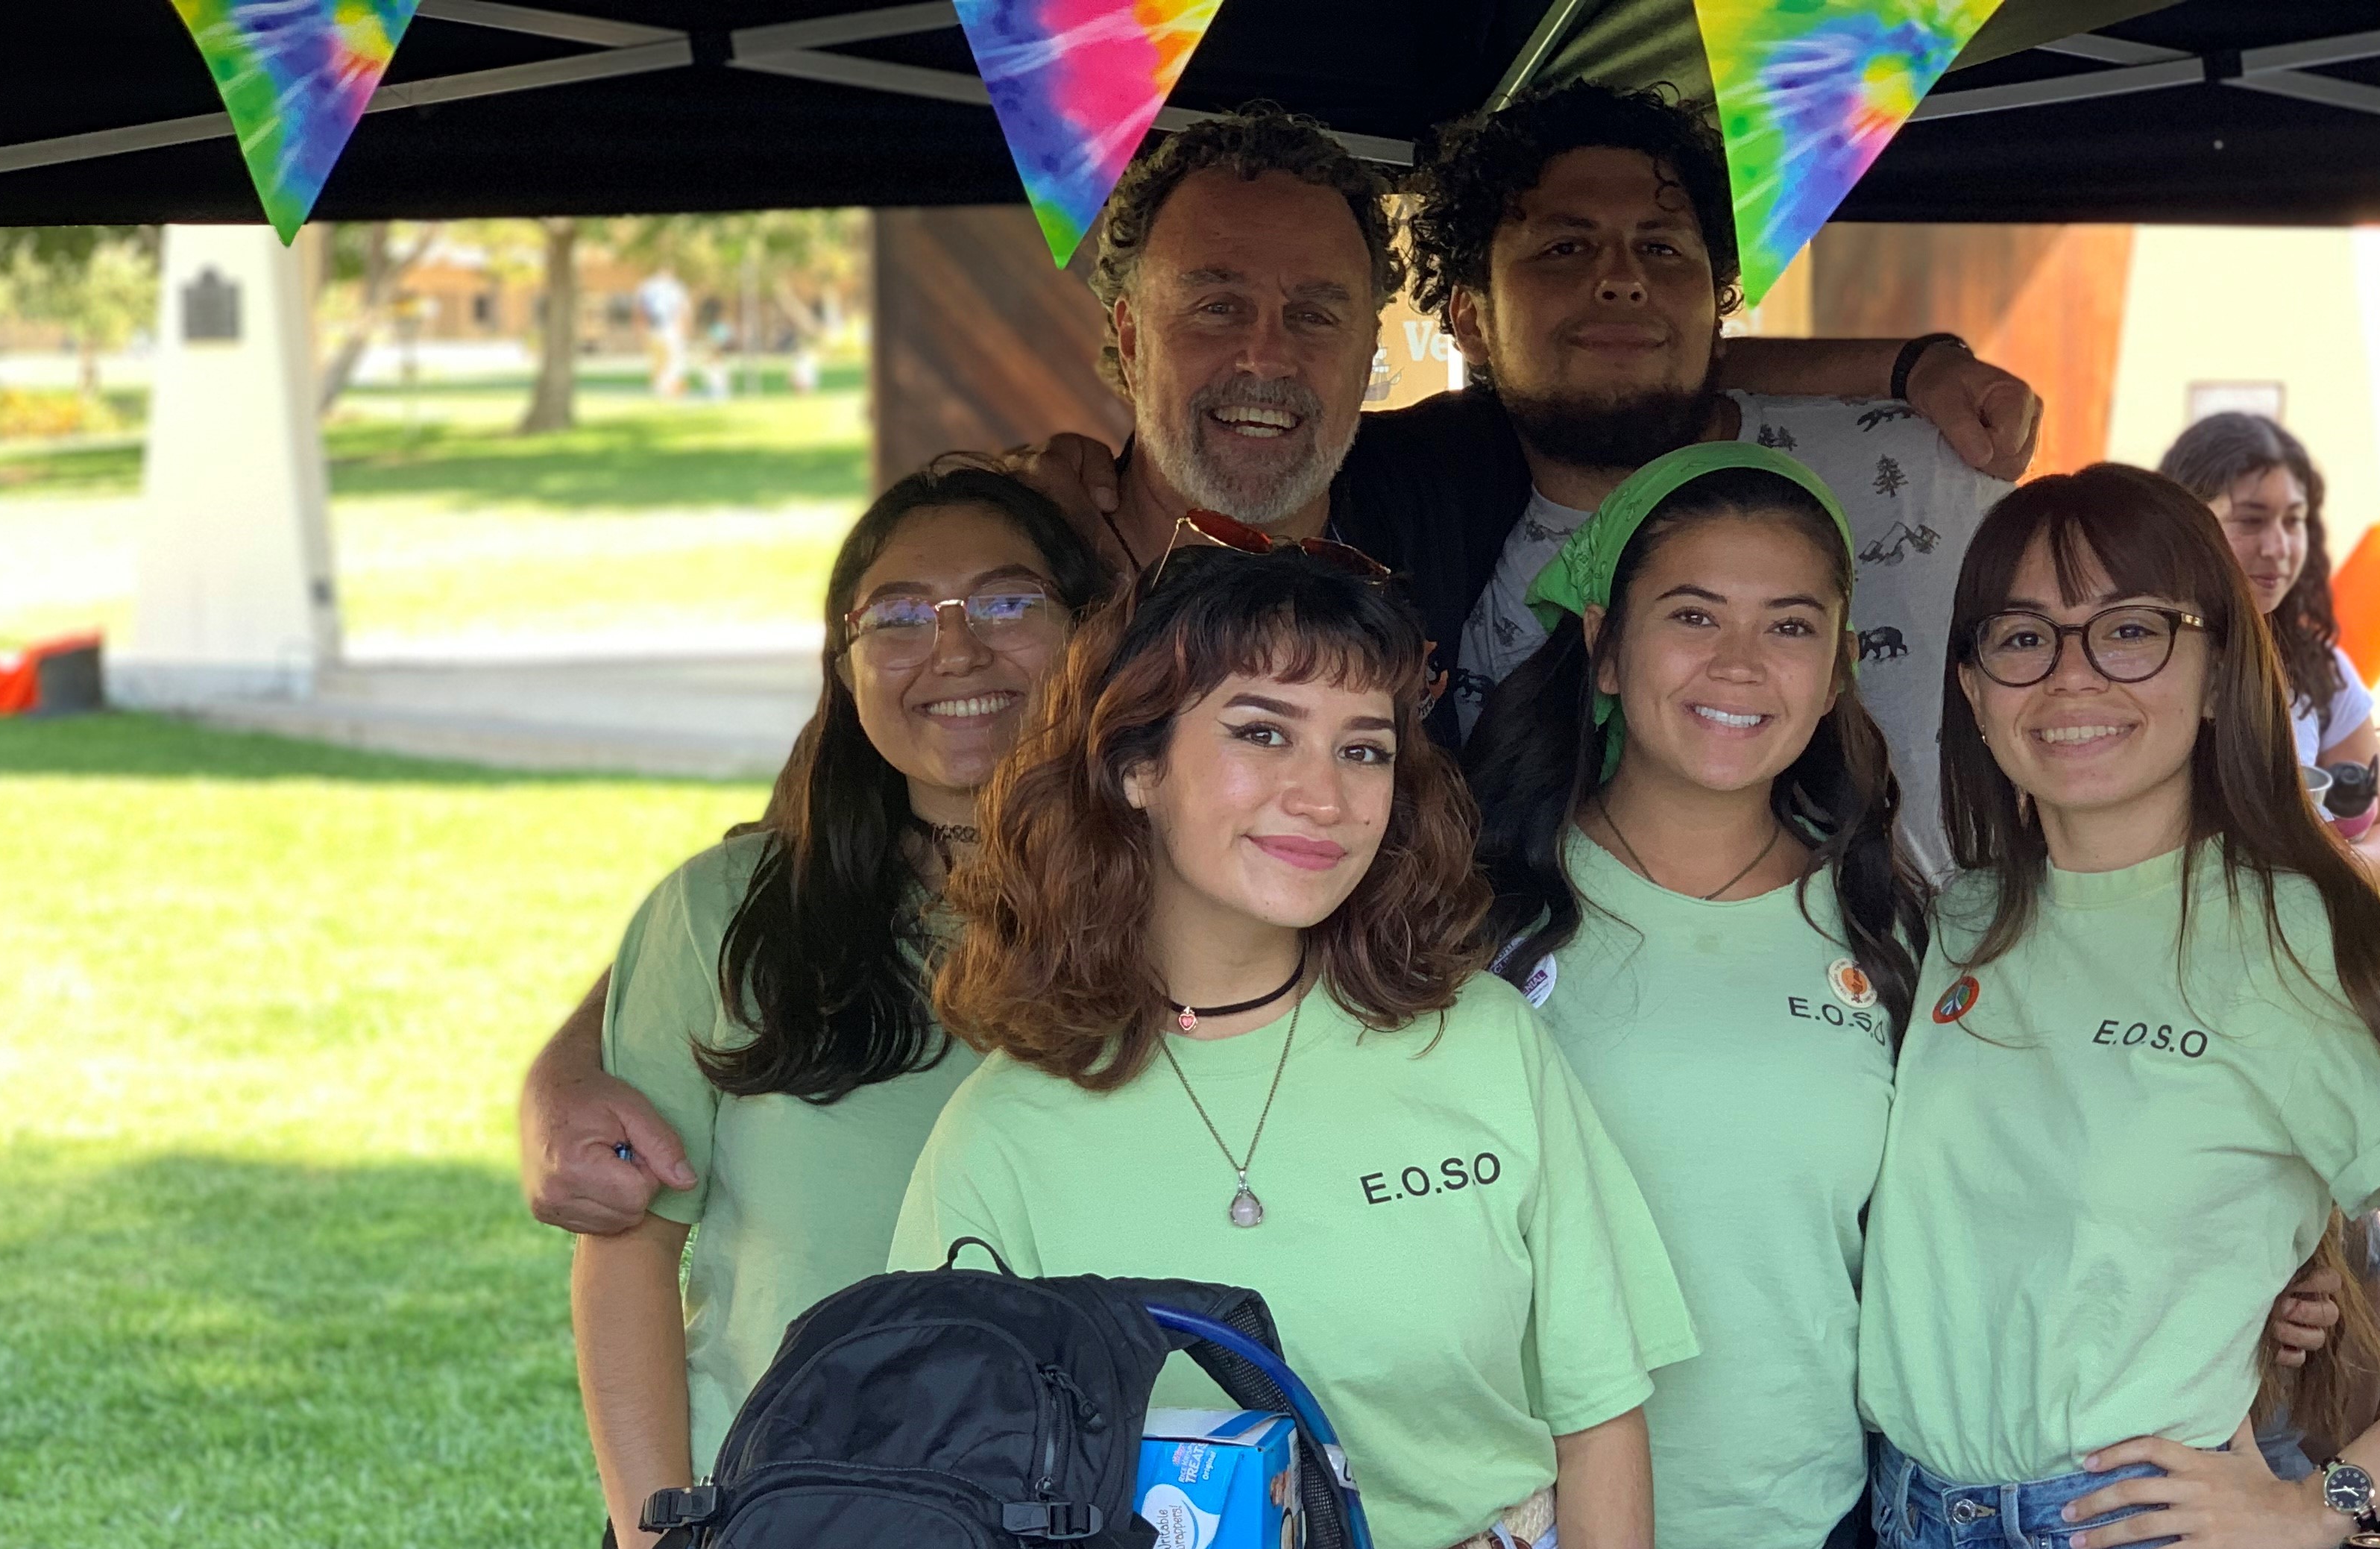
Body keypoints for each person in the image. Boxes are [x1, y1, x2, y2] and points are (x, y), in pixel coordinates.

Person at [523, 95, 2041, 1245]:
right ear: (1123, 337)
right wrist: (573, 1056)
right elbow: (824, 828)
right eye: (1215, 305)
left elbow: (1612, 349)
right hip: (1058, 1161)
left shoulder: (1432, 488)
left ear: (1377, 345)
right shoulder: (1030, 563)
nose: (1267, 353)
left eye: (1317, 313)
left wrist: (1909, 364)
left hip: (1367, 1183)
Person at [1857, 464, 2380, 1548]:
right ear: (1973, 688)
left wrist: (2326, 1504)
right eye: (2023, 637)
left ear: (2221, 671)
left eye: (2129, 631)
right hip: (1901, 1512)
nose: (2070, 677)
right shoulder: (1953, 921)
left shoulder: (2308, 943)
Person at [889, 533, 1696, 1549]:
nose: (1325, 796)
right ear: (1136, 764)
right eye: (1262, 733)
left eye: (1362, 748)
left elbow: (1601, 1415)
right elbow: (947, 1492)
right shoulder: (999, 1134)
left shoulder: (1486, 1043)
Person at [570, 459, 1109, 1546]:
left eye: (1007, 602)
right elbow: (627, 1249)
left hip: (1101, 1502)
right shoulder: (726, 915)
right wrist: (654, 1535)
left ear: (1090, 634)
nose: (955, 649)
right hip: (785, 1510)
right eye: (900, 615)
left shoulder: (1170, 912)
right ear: (845, 664)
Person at [1463, 442, 1930, 1549]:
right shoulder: (1475, 919)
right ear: (1605, 649)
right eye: (1691, 615)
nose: (1739, 663)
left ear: (1835, 669)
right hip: (1514, 1525)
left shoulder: (1895, 930)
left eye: (1788, 625)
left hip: (1813, 1522)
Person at [1414, 81, 2012, 871]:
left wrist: (1910, 364)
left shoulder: (1926, 471)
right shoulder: (1479, 592)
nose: (1622, 279)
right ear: (1471, 321)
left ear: (1716, 302)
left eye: (1661, 248)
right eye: (1566, 247)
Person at [2160, 412, 2380, 889]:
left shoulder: (2317, 665)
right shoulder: (2134, 658)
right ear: (2184, 522)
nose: (2278, 547)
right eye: (2251, 520)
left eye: (2293, 522)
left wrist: (2328, 882)